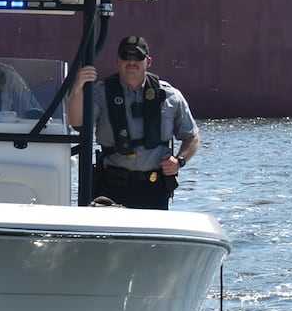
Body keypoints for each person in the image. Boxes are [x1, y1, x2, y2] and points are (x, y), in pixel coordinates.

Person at [66, 35, 200, 209]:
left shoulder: (170, 96)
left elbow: (192, 137)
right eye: (126, 56)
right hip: (111, 186)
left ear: (148, 61)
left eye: (138, 57)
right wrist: (78, 87)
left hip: (154, 187)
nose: (131, 62)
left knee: (150, 236)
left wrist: (179, 161)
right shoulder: (100, 92)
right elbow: (78, 123)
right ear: (117, 61)